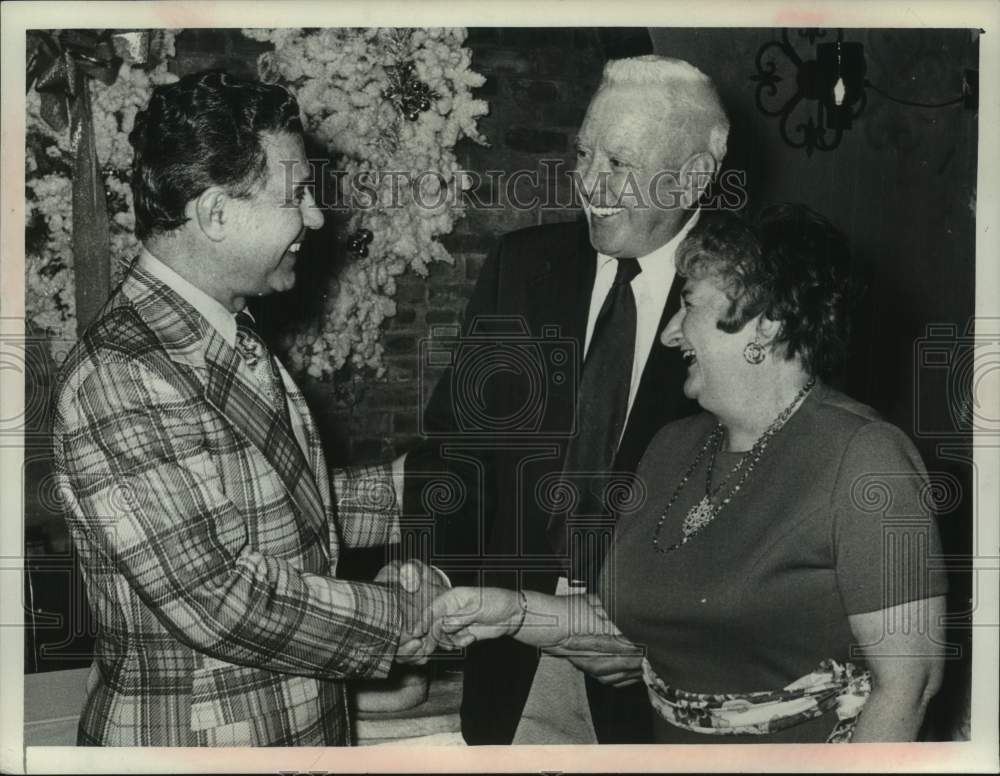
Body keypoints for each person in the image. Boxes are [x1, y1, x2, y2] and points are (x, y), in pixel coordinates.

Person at [424, 205, 948, 743]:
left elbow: (909, 686)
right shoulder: (672, 447)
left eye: (689, 305)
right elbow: (629, 625)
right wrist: (511, 613)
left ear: (766, 323)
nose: (670, 334)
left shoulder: (866, 458)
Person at [51, 70, 444, 747]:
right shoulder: (121, 375)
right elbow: (222, 598)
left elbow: (265, 505)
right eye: (295, 195)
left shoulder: (221, 330)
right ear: (215, 214)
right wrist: (400, 616)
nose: (314, 218)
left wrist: (417, 488)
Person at [406, 55, 729, 744]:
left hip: (663, 681)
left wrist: (666, 638)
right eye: (584, 154)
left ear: (694, 176)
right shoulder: (522, 268)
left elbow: (765, 507)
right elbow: (458, 445)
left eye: (619, 162)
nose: (590, 183)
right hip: (513, 657)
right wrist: (432, 570)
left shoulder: (749, 295)